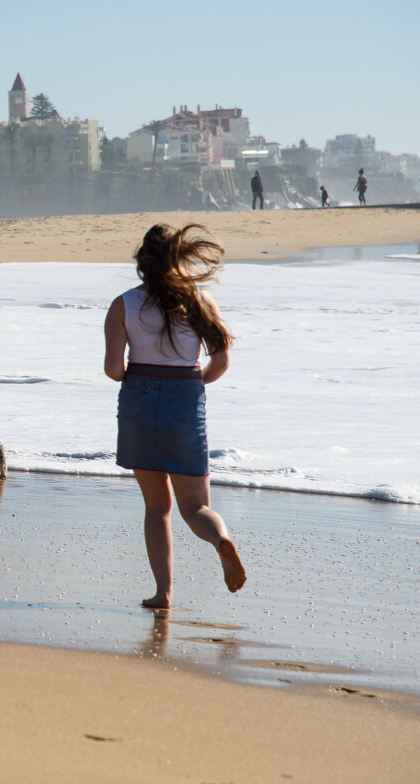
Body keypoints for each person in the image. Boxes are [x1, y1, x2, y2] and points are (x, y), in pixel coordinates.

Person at [103, 223, 247, 609]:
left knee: (157, 508)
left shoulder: (124, 304)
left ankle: (163, 594)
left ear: (142, 262)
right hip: (185, 402)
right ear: (180, 257)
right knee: (196, 508)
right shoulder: (200, 302)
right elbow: (220, 363)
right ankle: (220, 540)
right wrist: (190, 381)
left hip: (139, 404)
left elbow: (114, 370)